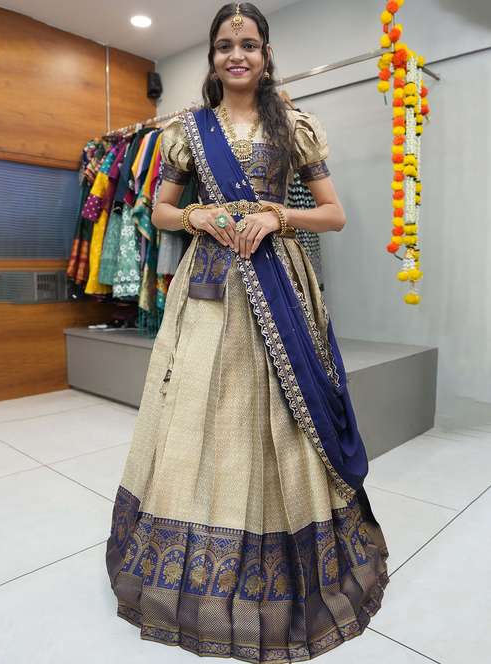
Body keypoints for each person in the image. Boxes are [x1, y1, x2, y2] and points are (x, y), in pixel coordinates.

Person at [105, 3, 390, 662]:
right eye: (226, 45)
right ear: (213, 56)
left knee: (281, 412)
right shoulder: (187, 130)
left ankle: (289, 553)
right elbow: (160, 210)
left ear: (266, 54)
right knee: (203, 411)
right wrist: (198, 216)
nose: (237, 55)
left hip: (279, 282)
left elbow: (334, 215)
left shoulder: (294, 126)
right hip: (209, 287)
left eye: (250, 44)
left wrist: (277, 217)